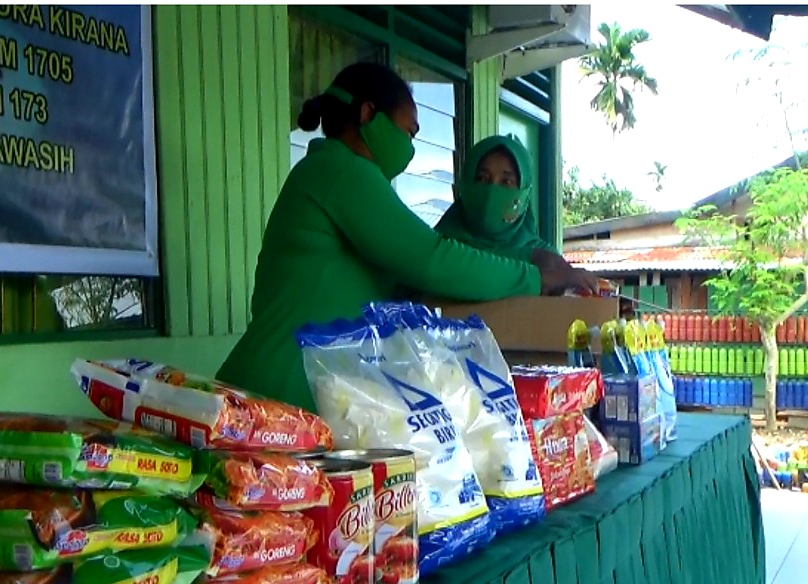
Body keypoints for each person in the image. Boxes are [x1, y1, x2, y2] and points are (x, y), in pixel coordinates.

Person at [216, 63, 598, 411]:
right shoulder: (343, 173)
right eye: (409, 131)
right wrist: (531, 275)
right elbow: (431, 260)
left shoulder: (331, 174)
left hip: (299, 387)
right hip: (277, 387)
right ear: (368, 115)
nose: (411, 146)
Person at [434, 135, 598, 290]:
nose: (492, 191)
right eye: (482, 178)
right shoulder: (435, 249)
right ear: (466, 183)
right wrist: (532, 267)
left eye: (506, 181)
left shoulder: (550, 262)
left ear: (524, 193)